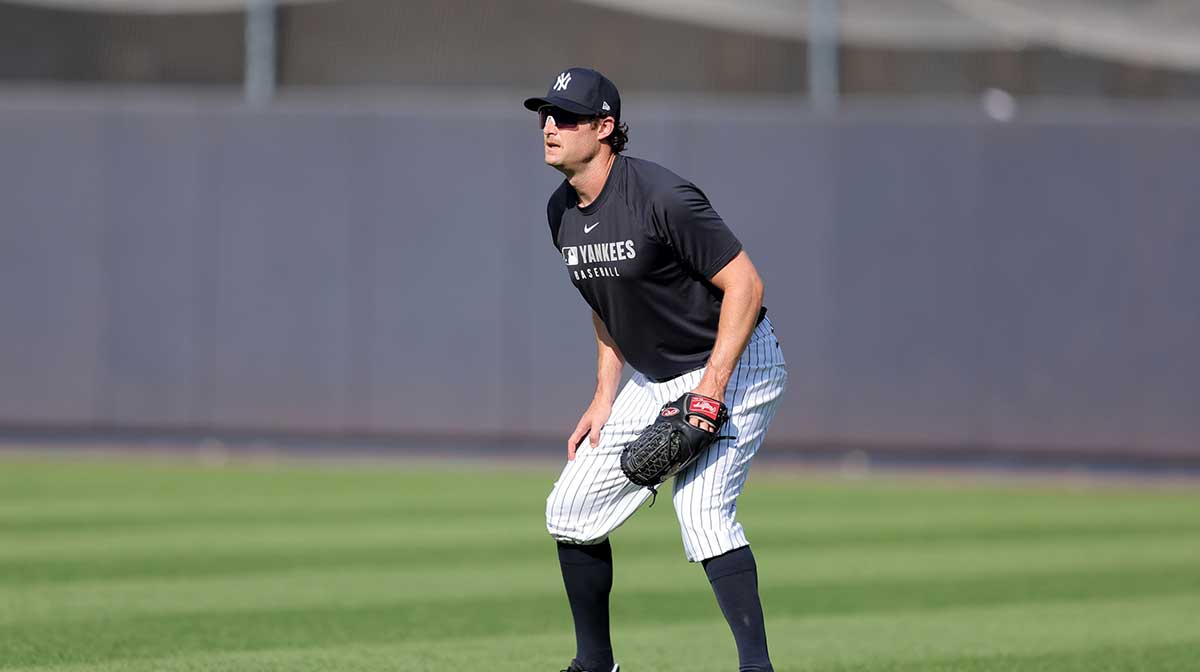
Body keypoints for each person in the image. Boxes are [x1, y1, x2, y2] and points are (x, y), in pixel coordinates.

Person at [525, 67, 788, 672]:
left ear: (605, 128)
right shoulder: (560, 211)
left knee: (700, 512)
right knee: (568, 511)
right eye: (545, 114)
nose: (549, 126)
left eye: (566, 117)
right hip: (656, 376)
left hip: (737, 359)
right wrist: (602, 396)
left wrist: (712, 391)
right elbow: (606, 305)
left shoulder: (661, 196)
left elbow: (745, 284)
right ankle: (595, 665)